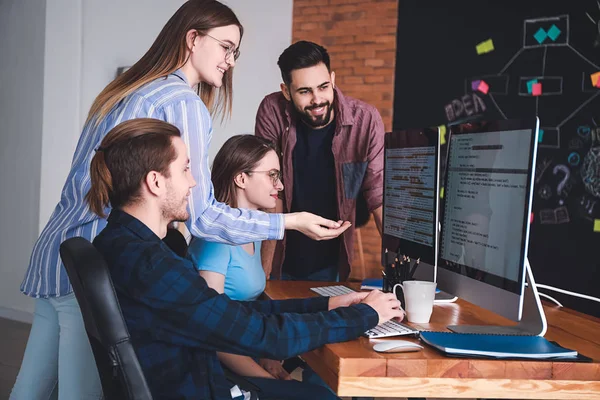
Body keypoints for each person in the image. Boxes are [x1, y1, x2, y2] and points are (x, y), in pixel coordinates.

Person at [11, 3, 348, 399]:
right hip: (96, 261)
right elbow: (202, 216)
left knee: (29, 389)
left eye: (235, 52)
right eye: (225, 47)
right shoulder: (181, 101)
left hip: (61, 252)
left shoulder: (129, 90)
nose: (230, 61)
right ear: (193, 38)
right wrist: (291, 221)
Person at [88, 118, 405, 399]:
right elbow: (265, 336)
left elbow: (227, 313)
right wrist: (366, 316)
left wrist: (328, 304)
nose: (194, 182)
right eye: (185, 169)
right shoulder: (151, 265)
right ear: (156, 182)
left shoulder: (126, 244)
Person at [255, 40, 385, 283]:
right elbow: (269, 190)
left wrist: (402, 274)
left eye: (324, 87)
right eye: (304, 91)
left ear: (333, 80)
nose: (317, 100)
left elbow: (378, 195)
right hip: (279, 251)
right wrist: (264, 275)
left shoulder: (366, 120)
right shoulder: (272, 111)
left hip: (331, 258)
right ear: (286, 91)